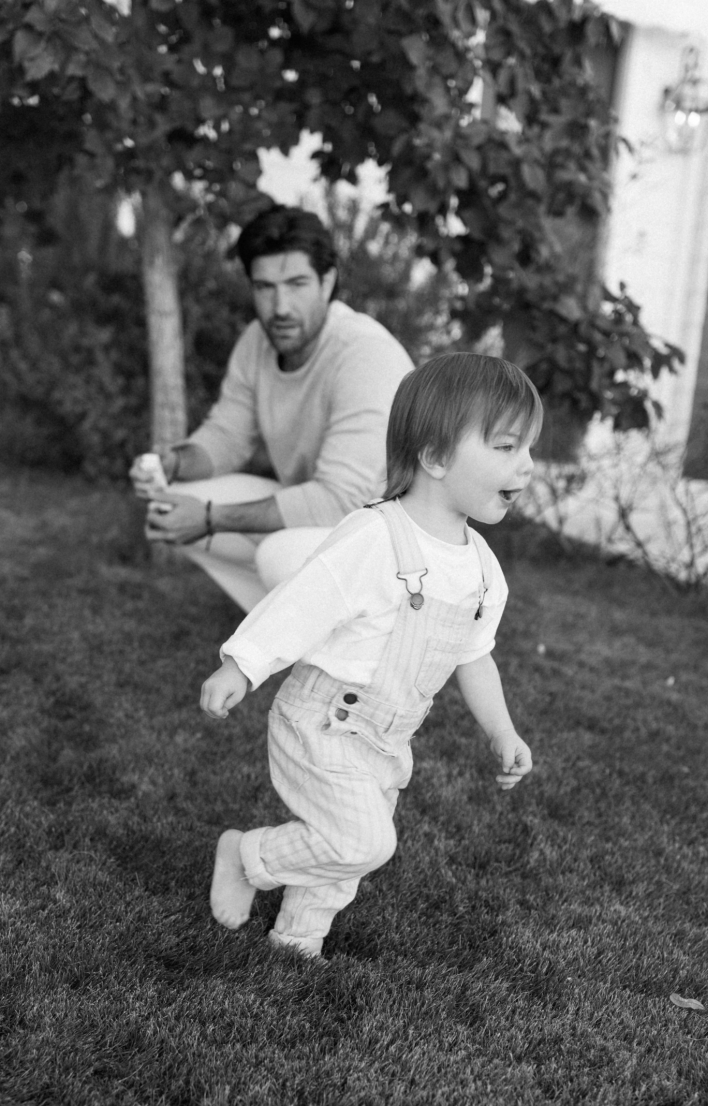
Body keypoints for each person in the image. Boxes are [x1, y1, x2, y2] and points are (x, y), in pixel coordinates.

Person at [199, 353, 538, 959]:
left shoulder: (484, 570)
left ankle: (296, 941)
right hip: (323, 721)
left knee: (344, 855)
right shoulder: (375, 537)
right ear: (435, 457)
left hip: (387, 739)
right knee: (362, 839)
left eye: (529, 449)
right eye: (508, 447)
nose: (528, 465)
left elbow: (475, 657)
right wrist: (243, 664)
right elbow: (302, 602)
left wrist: (502, 730)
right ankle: (248, 857)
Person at [130, 204, 416, 612]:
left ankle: (363, 645)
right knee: (174, 499)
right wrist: (172, 463)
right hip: (334, 521)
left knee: (277, 555)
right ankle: (283, 640)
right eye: (265, 287)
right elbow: (227, 436)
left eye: (296, 284)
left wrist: (211, 517)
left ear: (327, 281)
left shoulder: (364, 353)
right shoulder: (257, 342)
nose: (280, 307)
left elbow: (339, 500)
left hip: (398, 545)